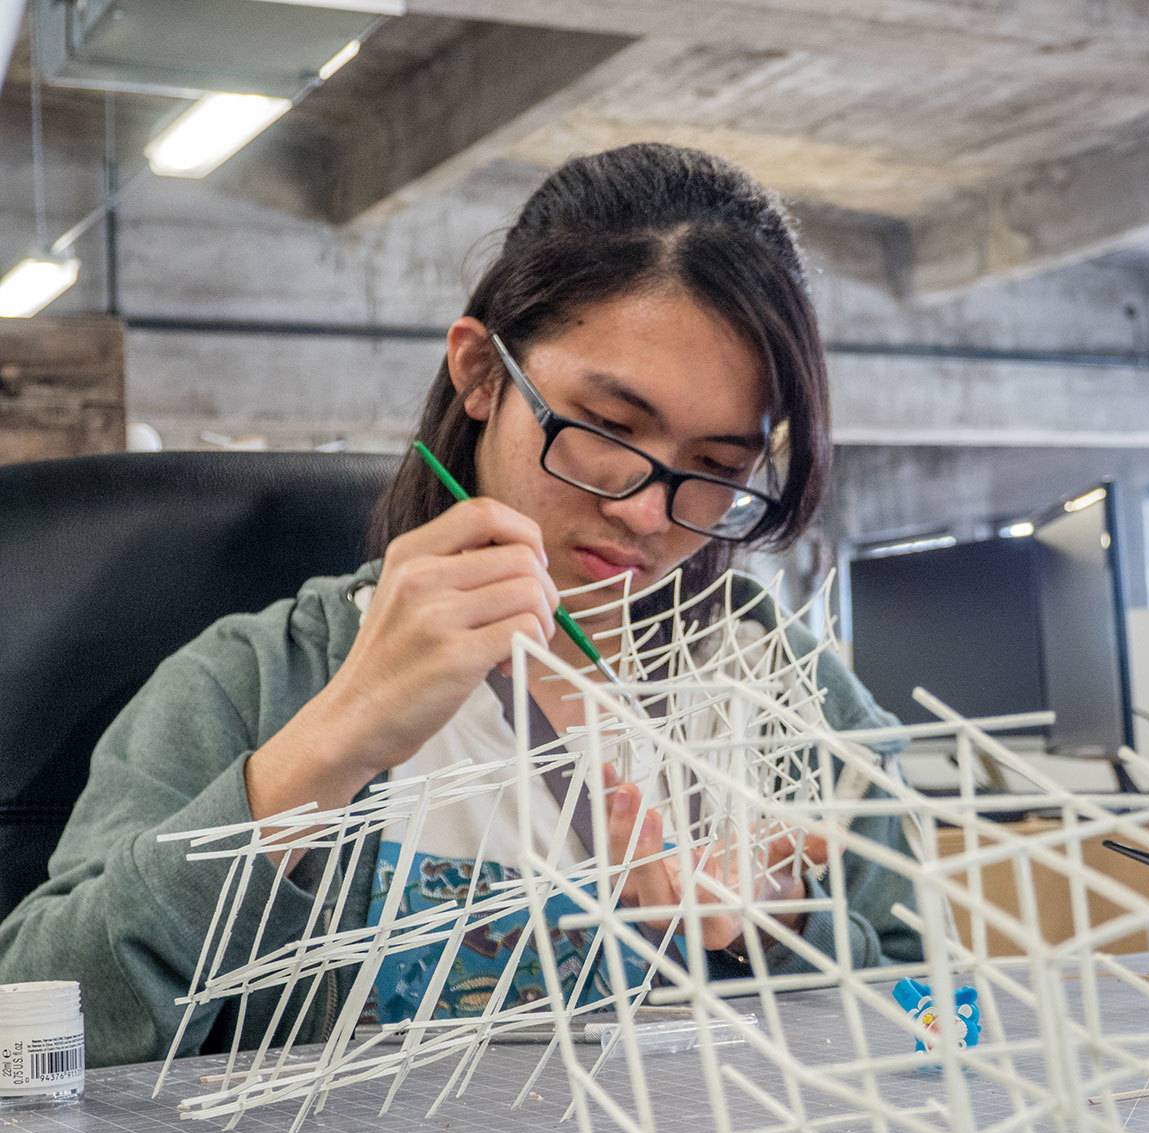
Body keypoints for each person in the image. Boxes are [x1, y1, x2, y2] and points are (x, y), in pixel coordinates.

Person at [0, 144, 924, 1068]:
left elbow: (940, 1031)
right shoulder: (256, 682)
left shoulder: (790, 704)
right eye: (604, 428)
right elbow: (30, 1024)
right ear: (482, 374)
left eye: (718, 469)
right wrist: (328, 747)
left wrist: (786, 925)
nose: (646, 511)